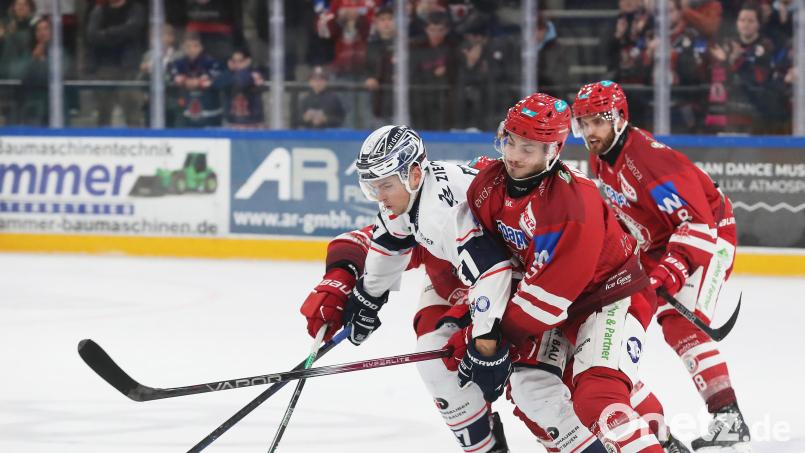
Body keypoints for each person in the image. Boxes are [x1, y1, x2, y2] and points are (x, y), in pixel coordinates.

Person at [300, 125, 608, 453]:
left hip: (533, 284)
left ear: (414, 174)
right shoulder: (406, 201)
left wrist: (486, 340)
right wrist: (366, 297)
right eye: (373, 186)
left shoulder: (442, 212)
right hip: (471, 283)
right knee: (436, 362)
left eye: (385, 185)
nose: (379, 196)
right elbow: (388, 240)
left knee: (536, 390)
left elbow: (492, 271)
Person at [458, 92, 666, 452]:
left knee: (597, 398)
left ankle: (655, 442)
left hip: (608, 295)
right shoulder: (485, 187)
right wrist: (476, 330)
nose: (513, 155)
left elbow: (550, 298)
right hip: (552, 304)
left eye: (528, 148)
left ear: (552, 151)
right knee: (530, 390)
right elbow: (489, 267)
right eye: (510, 141)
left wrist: (492, 338)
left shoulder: (574, 203)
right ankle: (656, 434)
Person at [572, 80, 750, 452]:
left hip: (712, 233)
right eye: (584, 123)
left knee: (681, 324)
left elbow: (697, 226)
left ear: (620, 118)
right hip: (662, 242)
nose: (590, 132)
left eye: (597, 122)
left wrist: (668, 272)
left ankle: (728, 417)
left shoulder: (648, 160)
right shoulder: (602, 156)